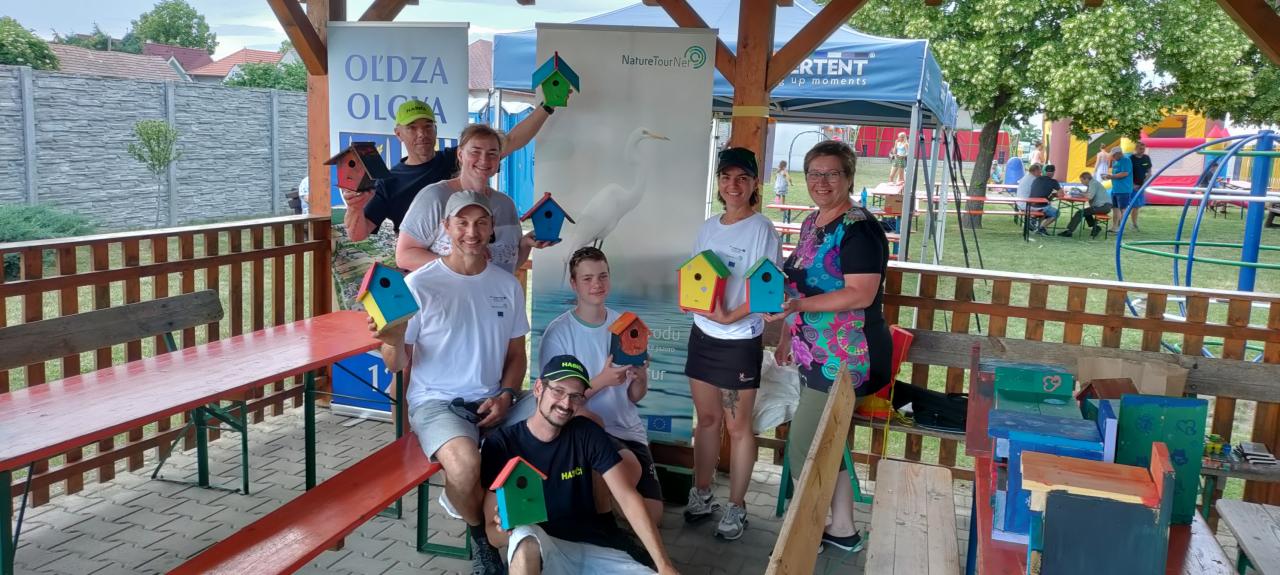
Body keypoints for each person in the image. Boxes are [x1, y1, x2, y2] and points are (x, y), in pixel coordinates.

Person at [368, 190, 529, 574]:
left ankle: (550, 528)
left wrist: (507, 395)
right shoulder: (418, 285)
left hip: (495, 400)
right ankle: (482, 539)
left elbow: (517, 356)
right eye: (462, 223)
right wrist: (392, 339)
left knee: (563, 421)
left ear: (491, 228)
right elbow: (396, 363)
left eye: (481, 223)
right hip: (437, 402)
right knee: (465, 467)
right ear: (445, 227)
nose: (472, 232)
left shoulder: (507, 284)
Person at [765, 140, 891, 554]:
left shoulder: (859, 228)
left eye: (832, 173)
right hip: (814, 353)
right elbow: (796, 285)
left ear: (849, 177)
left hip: (848, 357)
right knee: (829, 441)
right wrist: (788, 333)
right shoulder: (812, 222)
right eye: (814, 173)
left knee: (805, 445)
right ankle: (842, 527)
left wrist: (798, 307)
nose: (821, 182)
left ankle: (806, 533)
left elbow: (860, 293)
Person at [480, 356, 680, 575]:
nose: (566, 404)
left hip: (594, 548)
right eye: (558, 391)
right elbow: (492, 532)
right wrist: (507, 530)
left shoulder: (587, 433)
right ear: (538, 388)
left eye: (575, 396)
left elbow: (627, 497)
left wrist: (665, 565)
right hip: (545, 550)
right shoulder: (502, 444)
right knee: (524, 537)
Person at [680, 147, 782, 541]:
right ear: (719, 182)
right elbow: (696, 275)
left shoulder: (761, 230)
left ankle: (737, 506)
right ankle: (702, 493)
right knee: (706, 420)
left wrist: (728, 318)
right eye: (726, 177)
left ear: (755, 183)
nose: (733, 185)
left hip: (738, 341)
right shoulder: (708, 227)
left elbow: (765, 290)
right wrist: (693, 303)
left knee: (738, 427)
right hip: (702, 337)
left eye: (742, 178)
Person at [536, 246, 664, 527]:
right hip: (582, 429)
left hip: (627, 429)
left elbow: (634, 396)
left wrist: (641, 378)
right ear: (574, 284)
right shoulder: (559, 333)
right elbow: (552, 399)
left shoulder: (626, 325)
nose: (597, 284)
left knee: (652, 517)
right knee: (622, 473)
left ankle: (603, 511)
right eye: (588, 278)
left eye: (603, 276)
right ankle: (601, 522)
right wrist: (602, 380)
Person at [343, 99, 558, 241]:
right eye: (412, 128)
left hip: (474, 257)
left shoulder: (456, 158)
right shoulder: (389, 182)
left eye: (428, 126)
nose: (422, 134)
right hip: (424, 270)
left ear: (436, 130)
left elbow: (510, 141)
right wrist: (354, 208)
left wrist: (547, 106)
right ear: (398, 134)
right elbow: (358, 234)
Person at [396, 124, 553, 273]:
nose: (484, 160)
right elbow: (404, 257)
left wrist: (525, 244)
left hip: (494, 292)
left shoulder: (506, 204)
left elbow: (509, 265)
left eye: (492, 153)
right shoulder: (434, 197)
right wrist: (457, 263)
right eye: (475, 152)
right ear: (460, 155)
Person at [1057, 172, 1112, 238]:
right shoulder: (1092, 183)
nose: (1081, 183)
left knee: (1080, 213)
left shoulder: (1093, 184)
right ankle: (1096, 227)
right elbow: (1087, 195)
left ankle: (1069, 231)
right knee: (1086, 212)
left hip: (1103, 207)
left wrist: (1079, 193)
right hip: (1104, 206)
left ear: (1086, 179)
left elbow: (1089, 196)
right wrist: (1079, 194)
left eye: (1082, 180)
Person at [1027, 164, 1063, 235]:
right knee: (1056, 213)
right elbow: (1061, 194)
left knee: (1047, 208)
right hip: (1041, 206)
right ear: (1053, 172)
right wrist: (1054, 194)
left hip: (1030, 204)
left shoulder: (1037, 179)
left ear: (1045, 172)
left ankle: (1034, 221)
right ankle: (1041, 228)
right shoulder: (1053, 182)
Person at [1104, 148, 1133, 232]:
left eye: (1114, 155)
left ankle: (1121, 228)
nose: (1113, 157)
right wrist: (1109, 176)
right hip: (1115, 189)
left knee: (1123, 209)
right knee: (1115, 208)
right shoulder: (1115, 161)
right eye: (1112, 155)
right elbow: (1115, 174)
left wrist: (1111, 176)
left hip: (1124, 189)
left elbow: (1125, 173)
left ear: (1119, 153)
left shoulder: (1126, 160)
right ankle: (1114, 227)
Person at [1128, 142, 1153, 230]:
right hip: (1132, 186)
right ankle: (1122, 222)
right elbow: (1128, 173)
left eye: (1143, 149)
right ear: (1136, 148)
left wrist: (1145, 183)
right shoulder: (1131, 158)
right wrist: (1132, 185)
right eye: (1140, 149)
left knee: (1137, 206)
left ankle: (1134, 224)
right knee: (1130, 205)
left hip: (1141, 185)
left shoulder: (1146, 158)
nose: (1142, 150)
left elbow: (1149, 172)